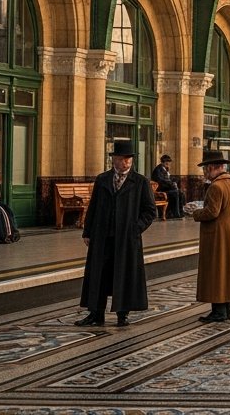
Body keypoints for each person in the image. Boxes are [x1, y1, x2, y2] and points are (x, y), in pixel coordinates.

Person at [76, 140, 157, 327]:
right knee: (99, 275)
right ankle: (96, 313)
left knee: (124, 274)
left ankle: (122, 314)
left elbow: (149, 211)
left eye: (128, 160)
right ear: (114, 160)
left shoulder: (140, 182)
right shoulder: (103, 179)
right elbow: (93, 207)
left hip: (126, 239)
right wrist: (87, 232)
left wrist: (135, 228)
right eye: (122, 159)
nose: (126, 163)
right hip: (102, 236)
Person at [190, 150, 230, 322]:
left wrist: (195, 212)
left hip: (216, 236)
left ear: (212, 167)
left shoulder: (216, 186)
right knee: (228, 272)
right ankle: (227, 309)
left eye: (205, 169)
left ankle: (218, 311)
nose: (204, 173)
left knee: (216, 272)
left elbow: (212, 213)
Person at [151, 154, 184, 219]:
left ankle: (180, 212)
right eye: (166, 162)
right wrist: (171, 184)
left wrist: (173, 183)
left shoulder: (165, 169)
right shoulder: (158, 170)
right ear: (162, 162)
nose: (168, 163)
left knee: (180, 193)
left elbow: (168, 180)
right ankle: (176, 214)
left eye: (169, 162)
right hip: (161, 190)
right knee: (175, 193)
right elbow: (161, 181)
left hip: (166, 189)